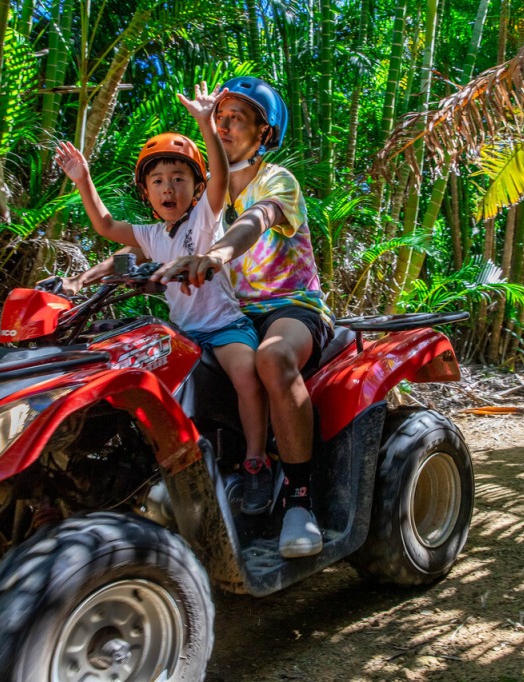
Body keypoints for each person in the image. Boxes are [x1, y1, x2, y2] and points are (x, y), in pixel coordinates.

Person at [54, 84, 271, 509]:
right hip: (182, 334)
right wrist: (83, 180)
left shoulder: (205, 221)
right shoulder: (152, 235)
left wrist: (206, 123)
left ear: (195, 188)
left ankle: (256, 461)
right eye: (158, 181)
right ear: (147, 192)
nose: (168, 188)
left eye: (179, 179)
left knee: (247, 375)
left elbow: (221, 177)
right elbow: (106, 226)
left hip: (224, 326)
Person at [153, 76, 333, 559]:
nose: (226, 125)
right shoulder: (200, 196)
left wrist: (214, 255)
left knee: (274, 359)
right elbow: (149, 239)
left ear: (264, 133)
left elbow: (256, 223)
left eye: (238, 118)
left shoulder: (276, 181)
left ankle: (299, 500)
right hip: (232, 315)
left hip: (289, 306)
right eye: (221, 117)